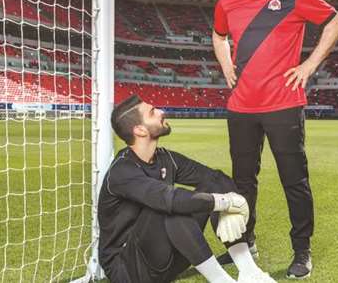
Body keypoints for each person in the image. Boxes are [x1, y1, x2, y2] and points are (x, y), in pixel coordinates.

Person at [212, 0, 338, 279]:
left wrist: (309, 65)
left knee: (294, 181)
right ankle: (244, 245)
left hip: (283, 104)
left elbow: (336, 22)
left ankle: (302, 250)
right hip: (241, 106)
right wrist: (226, 64)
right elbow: (218, 33)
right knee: (242, 183)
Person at [98, 95, 276, 283]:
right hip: (128, 269)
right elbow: (171, 200)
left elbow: (215, 178)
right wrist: (226, 202)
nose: (161, 112)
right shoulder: (122, 171)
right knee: (172, 206)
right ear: (140, 130)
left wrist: (227, 205)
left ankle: (249, 271)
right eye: (152, 112)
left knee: (214, 184)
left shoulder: (166, 158)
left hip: (168, 262)